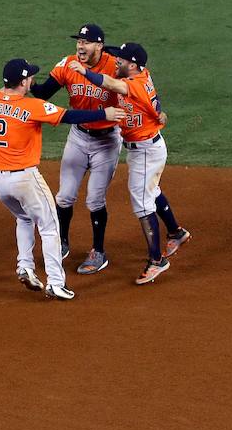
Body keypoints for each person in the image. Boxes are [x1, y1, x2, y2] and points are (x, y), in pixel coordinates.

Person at [0, 58, 126, 300]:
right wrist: (105, 112)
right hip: (24, 179)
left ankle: (25, 266)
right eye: (29, 76)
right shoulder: (33, 107)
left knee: (23, 218)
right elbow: (70, 115)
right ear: (22, 82)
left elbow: (5, 92)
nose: (32, 79)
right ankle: (56, 282)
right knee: (50, 227)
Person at [68, 42, 192, 285]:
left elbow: (112, 84)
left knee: (142, 202)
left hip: (146, 151)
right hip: (146, 147)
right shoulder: (140, 74)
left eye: (121, 60)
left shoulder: (134, 85)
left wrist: (84, 72)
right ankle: (177, 232)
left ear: (133, 65)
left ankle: (157, 261)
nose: (116, 61)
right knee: (151, 191)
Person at [30, 23, 122, 276]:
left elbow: (136, 87)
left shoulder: (115, 67)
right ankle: (61, 243)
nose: (80, 46)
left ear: (99, 45)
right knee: (64, 197)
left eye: (87, 42)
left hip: (107, 141)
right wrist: (27, 82)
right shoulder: (68, 64)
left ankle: (98, 251)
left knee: (94, 199)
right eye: (79, 41)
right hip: (79, 137)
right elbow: (42, 94)